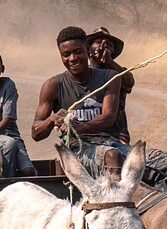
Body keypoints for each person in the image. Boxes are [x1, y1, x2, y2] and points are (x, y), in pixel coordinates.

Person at [86, 25, 167, 189]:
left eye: (109, 45)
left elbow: (129, 81)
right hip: (91, 145)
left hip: (117, 140)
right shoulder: (80, 76)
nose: (104, 47)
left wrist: (109, 62)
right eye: (98, 42)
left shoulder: (118, 74)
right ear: (88, 49)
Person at [32, 25, 130, 176]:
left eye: (78, 52)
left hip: (112, 142)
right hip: (78, 147)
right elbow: (36, 133)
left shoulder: (110, 77)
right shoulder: (53, 85)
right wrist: (52, 119)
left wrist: (76, 127)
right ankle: (115, 191)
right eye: (66, 54)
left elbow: (108, 118)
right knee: (113, 156)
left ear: (87, 51)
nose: (72, 58)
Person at [0, 49, 37, 177]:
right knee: (9, 144)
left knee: (29, 171)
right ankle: (7, 182)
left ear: (2, 68)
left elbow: (7, 119)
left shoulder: (8, 85)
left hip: (9, 132)